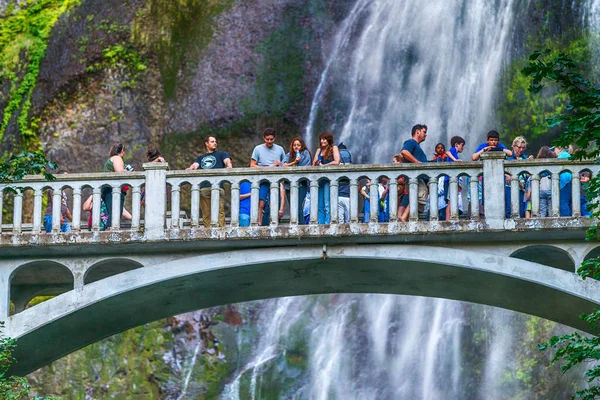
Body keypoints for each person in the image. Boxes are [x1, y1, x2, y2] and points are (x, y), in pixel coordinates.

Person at [187, 135, 232, 228]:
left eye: (215, 141)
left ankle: (221, 230)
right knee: (206, 212)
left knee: (220, 211)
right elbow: (195, 165)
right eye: (212, 141)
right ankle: (207, 231)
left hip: (218, 187)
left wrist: (229, 166)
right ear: (206, 144)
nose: (215, 143)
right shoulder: (201, 157)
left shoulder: (222, 154)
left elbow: (227, 161)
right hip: (204, 187)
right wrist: (190, 168)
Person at [251, 128, 285, 226]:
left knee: (274, 202)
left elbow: (285, 164)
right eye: (267, 139)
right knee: (261, 203)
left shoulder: (280, 149)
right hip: (262, 179)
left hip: (276, 179)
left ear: (274, 138)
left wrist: (280, 164)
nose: (269, 141)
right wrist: (266, 168)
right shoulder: (258, 149)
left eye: (271, 139)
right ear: (264, 138)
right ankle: (259, 224)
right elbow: (252, 165)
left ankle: (273, 223)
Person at [279, 137, 311, 224]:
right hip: (288, 185)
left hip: (301, 184)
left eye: (298, 145)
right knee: (292, 206)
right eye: (294, 145)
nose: (296, 147)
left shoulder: (305, 154)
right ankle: (295, 224)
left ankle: (301, 226)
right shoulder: (289, 155)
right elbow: (282, 166)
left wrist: (298, 161)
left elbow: (306, 167)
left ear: (302, 146)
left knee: (298, 205)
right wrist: (294, 162)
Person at [313, 131, 340, 224]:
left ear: (329, 140)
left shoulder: (334, 148)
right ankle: (320, 223)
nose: (322, 141)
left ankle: (328, 223)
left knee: (327, 203)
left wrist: (324, 165)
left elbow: (337, 162)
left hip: (329, 180)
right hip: (319, 180)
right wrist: (317, 164)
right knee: (319, 204)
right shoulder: (318, 150)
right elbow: (313, 165)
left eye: (324, 139)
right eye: (321, 139)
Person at [102, 144, 131, 228]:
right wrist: (129, 172)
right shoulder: (117, 158)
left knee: (113, 213)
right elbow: (119, 172)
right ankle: (109, 234)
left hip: (108, 190)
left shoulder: (111, 159)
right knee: (114, 215)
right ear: (122, 151)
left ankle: (109, 231)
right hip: (113, 191)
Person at [400, 124, 429, 213]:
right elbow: (404, 152)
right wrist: (417, 162)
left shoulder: (416, 146)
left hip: (417, 177)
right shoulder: (411, 142)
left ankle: (405, 218)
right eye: (424, 132)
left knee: (417, 198)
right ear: (417, 131)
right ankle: (404, 218)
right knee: (420, 197)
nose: (426, 135)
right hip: (414, 176)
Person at [505, 136, 531, 218]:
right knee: (509, 208)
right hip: (509, 187)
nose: (521, 150)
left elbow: (528, 174)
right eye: (519, 147)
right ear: (513, 146)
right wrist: (507, 175)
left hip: (522, 189)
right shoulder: (507, 157)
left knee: (521, 209)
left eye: (523, 148)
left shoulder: (524, 157)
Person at [536, 146, 556, 217]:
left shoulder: (538, 162)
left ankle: (542, 224)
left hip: (541, 189)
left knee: (542, 210)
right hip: (550, 188)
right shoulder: (552, 161)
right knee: (551, 210)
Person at [554, 146, 573, 216]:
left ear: (559, 149)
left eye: (554, 149)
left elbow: (554, 166)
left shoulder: (562, 155)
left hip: (565, 183)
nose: (554, 151)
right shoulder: (567, 155)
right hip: (568, 182)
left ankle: (566, 222)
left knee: (563, 203)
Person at [337, 143, 351, 223]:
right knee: (349, 218)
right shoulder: (348, 154)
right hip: (347, 193)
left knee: (340, 219)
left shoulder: (337, 155)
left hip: (338, 193)